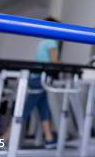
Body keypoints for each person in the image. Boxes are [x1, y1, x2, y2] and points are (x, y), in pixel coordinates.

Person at [5, 16, 60, 149]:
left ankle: (48, 138)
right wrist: (64, 66)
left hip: (36, 78)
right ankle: (4, 138)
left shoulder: (42, 42)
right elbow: (53, 61)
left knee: (43, 108)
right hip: (40, 79)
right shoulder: (52, 42)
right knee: (25, 110)